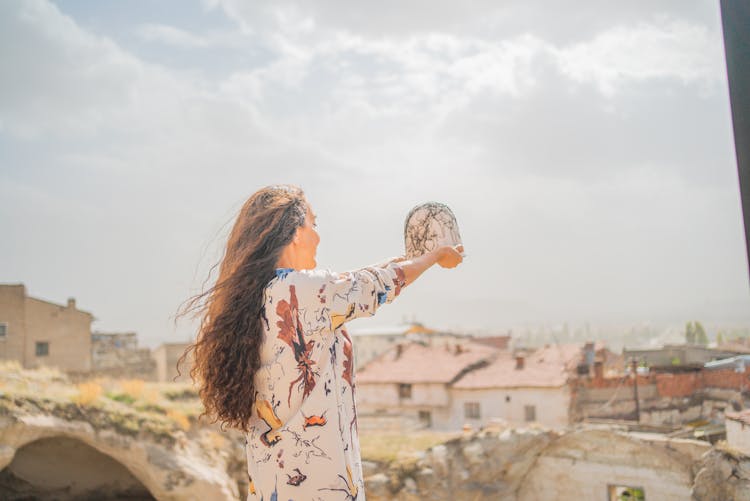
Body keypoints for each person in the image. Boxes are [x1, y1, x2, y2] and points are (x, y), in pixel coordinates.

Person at [179, 185, 463, 501]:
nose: (318, 235)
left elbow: (354, 284)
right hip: (315, 482)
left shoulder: (268, 293)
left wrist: (409, 261)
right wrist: (434, 257)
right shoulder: (300, 290)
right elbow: (369, 288)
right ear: (296, 233)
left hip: (276, 477)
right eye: (313, 224)